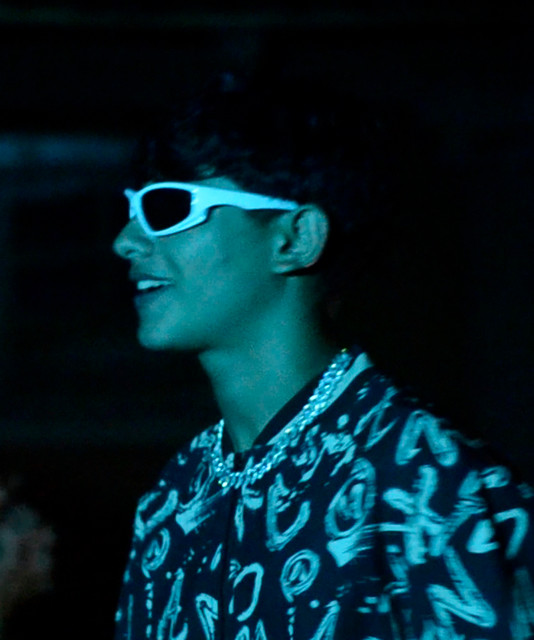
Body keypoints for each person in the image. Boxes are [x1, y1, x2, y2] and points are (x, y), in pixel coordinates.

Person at [112, 72, 534, 639]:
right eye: (131, 208)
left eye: (167, 207)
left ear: (295, 238)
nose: (126, 240)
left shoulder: (423, 477)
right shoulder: (174, 498)